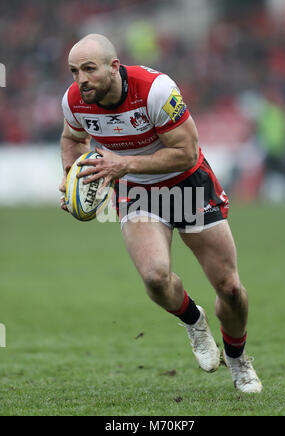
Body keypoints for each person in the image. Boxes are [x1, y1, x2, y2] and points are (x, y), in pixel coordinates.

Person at [59, 34, 262, 394]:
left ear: (114, 67)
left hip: (188, 183)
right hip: (136, 190)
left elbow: (186, 152)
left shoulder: (156, 90)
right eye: (75, 71)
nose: (81, 79)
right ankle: (194, 321)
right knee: (155, 278)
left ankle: (238, 358)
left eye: (89, 69)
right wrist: (73, 180)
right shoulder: (74, 101)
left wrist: (125, 164)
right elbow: (73, 139)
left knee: (230, 288)